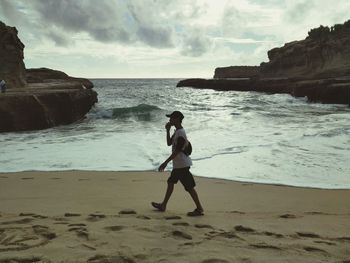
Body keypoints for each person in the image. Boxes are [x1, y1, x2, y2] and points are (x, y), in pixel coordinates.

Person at [152, 111, 204, 216]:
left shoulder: (181, 133)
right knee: (171, 182)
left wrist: (165, 162)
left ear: (177, 119)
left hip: (182, 165)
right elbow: (169, 143)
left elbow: (177, 151)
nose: (169, 120)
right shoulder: (177, 132)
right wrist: (167, 130)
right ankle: (163, 205)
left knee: (189, 187)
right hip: (178, 165)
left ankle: (199, 208)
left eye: (171, 118)